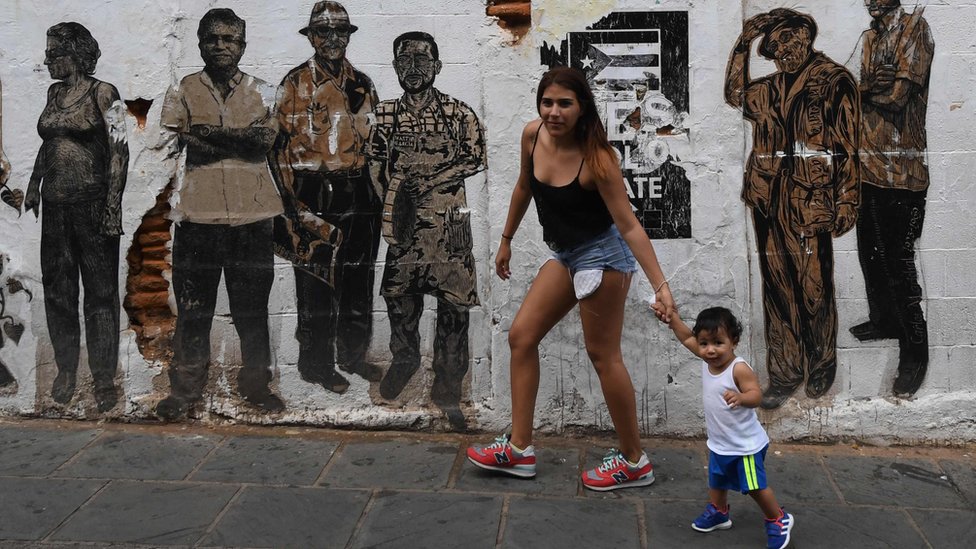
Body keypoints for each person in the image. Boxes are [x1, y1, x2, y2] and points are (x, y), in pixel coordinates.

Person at [466, 66, 675, 490]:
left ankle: (635, 461)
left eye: (565, 104)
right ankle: (520, 449)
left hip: (604, 258)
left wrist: (661, 286)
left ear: (582, 109)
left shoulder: (597, 159)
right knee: (522, 336)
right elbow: (524, 187)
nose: (554, 112)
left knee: (604, 356)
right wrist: (505, 239)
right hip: (566, 254)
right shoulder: (531, 136)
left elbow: (630, 226)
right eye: (548, 102)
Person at [724, 9, 860, 409]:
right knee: (778, 288)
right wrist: (741, 44)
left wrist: (848, 198)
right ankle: (785, 373)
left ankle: (820, 364)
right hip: (768, 198)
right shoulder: (766, 89)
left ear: (804, 35)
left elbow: (849, 147)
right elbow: (735, 93)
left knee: (814, 288)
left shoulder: (834, 81)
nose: (779, 52)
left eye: (784, 41)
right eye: (773, 48)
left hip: (810, 198)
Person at [155, 8, 284, 419]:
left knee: (252, 310)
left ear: (243, 45)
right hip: (197, 219)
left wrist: (209, 133)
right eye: (212, 38)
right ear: (199, 43)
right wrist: (237, 139)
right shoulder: (183, 89)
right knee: (194, 310)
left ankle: (256, 386)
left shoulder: (264, 91)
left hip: (253, 219)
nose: (220, 46)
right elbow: (178, 141)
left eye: (229, 39)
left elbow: (261, 144)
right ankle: (186, 391)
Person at [366, 32, 487, 429]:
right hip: (405, 221)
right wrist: (391, 201)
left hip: (452, 220)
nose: (413, 68)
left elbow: (475, 156)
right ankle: (404, 359)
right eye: (405, 60)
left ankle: (448, 389)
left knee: (455, 306)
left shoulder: (458, 113)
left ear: (437, 67)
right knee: (400, 297)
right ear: (395, 66)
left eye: (422, 60)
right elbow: (374, 163)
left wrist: (434, 178)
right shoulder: (384, 115)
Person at [274, 1, 382, 394]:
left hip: (358, 188)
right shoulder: (295, 83)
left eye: (340, 31)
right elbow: (277, 147)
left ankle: (353, 356)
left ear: (348, 36)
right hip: (314, 191)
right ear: (312, 37)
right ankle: (315, 364)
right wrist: (290, 206)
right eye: (324, 32)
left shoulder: (362, 83)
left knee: (358, 277)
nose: (332, 39)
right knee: (316, 281)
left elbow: (375, 144)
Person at [23, 22, 129, 413]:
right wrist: (35, 184)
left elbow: (120, 150)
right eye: (48, 53)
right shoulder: (54, 93)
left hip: (93, 205)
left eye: (54, 52)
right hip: (56, 207)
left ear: (77, 52)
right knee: (58, 292)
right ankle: (66, 370)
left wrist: (113, 204)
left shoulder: (105, 93)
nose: (48, 59)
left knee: (100, 296)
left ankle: (103, 379)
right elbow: (51, 142)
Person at [848, 0, 934, 397]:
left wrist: (867, 90)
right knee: (869, 251)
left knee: (900, 265)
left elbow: (898, 97)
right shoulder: (869, 38)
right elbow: (855, 91)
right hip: (868, 168)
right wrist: (870, 86)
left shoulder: (914, 29)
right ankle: (883, 320)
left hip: (903, 173)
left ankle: (915, 354)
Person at [656, 306, 794, 549]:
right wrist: (672, 318)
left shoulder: (738, 368)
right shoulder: (705, 358)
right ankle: (719, 512)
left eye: (718, 342)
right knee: (717, 480)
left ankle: (778, 518)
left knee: (754, 486)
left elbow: (756, 395)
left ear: (734, 342)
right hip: (720, 443)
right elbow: (686, 337)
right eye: (705, 343)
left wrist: (741, 398)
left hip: (745, 446)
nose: (711, 350)